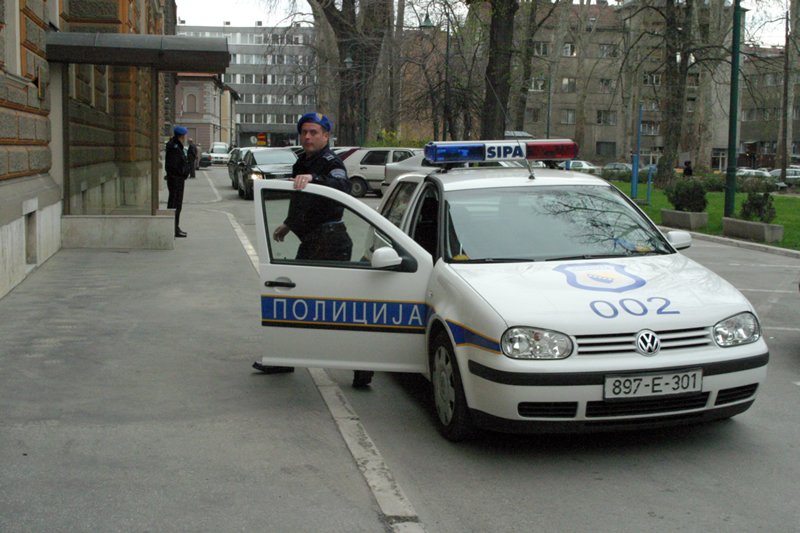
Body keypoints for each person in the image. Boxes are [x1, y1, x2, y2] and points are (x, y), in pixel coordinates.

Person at [253, 112, 374, 389]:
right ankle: (284, 357)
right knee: (296, 300)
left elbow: (342, 186)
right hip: (313, 240)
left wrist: (314, 178)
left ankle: (363, 367)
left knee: (338, 310)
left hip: (330, 242)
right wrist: (288, 223)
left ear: (326, 136)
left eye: (314, 132)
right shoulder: (302, 161)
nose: (307, 137)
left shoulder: (330, 162)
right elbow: (301, 201)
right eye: (304, 132)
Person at [165, 125, 191, 238]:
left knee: (176, 204)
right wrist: (184, 172)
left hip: (177, 179)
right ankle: (173, 228)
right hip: (176, 179)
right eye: (184, 135)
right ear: (181, 136)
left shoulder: (177, 146)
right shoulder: (175, 148)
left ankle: (175, 226)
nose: (185, 137)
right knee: (175, 204)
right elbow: (175, 165)